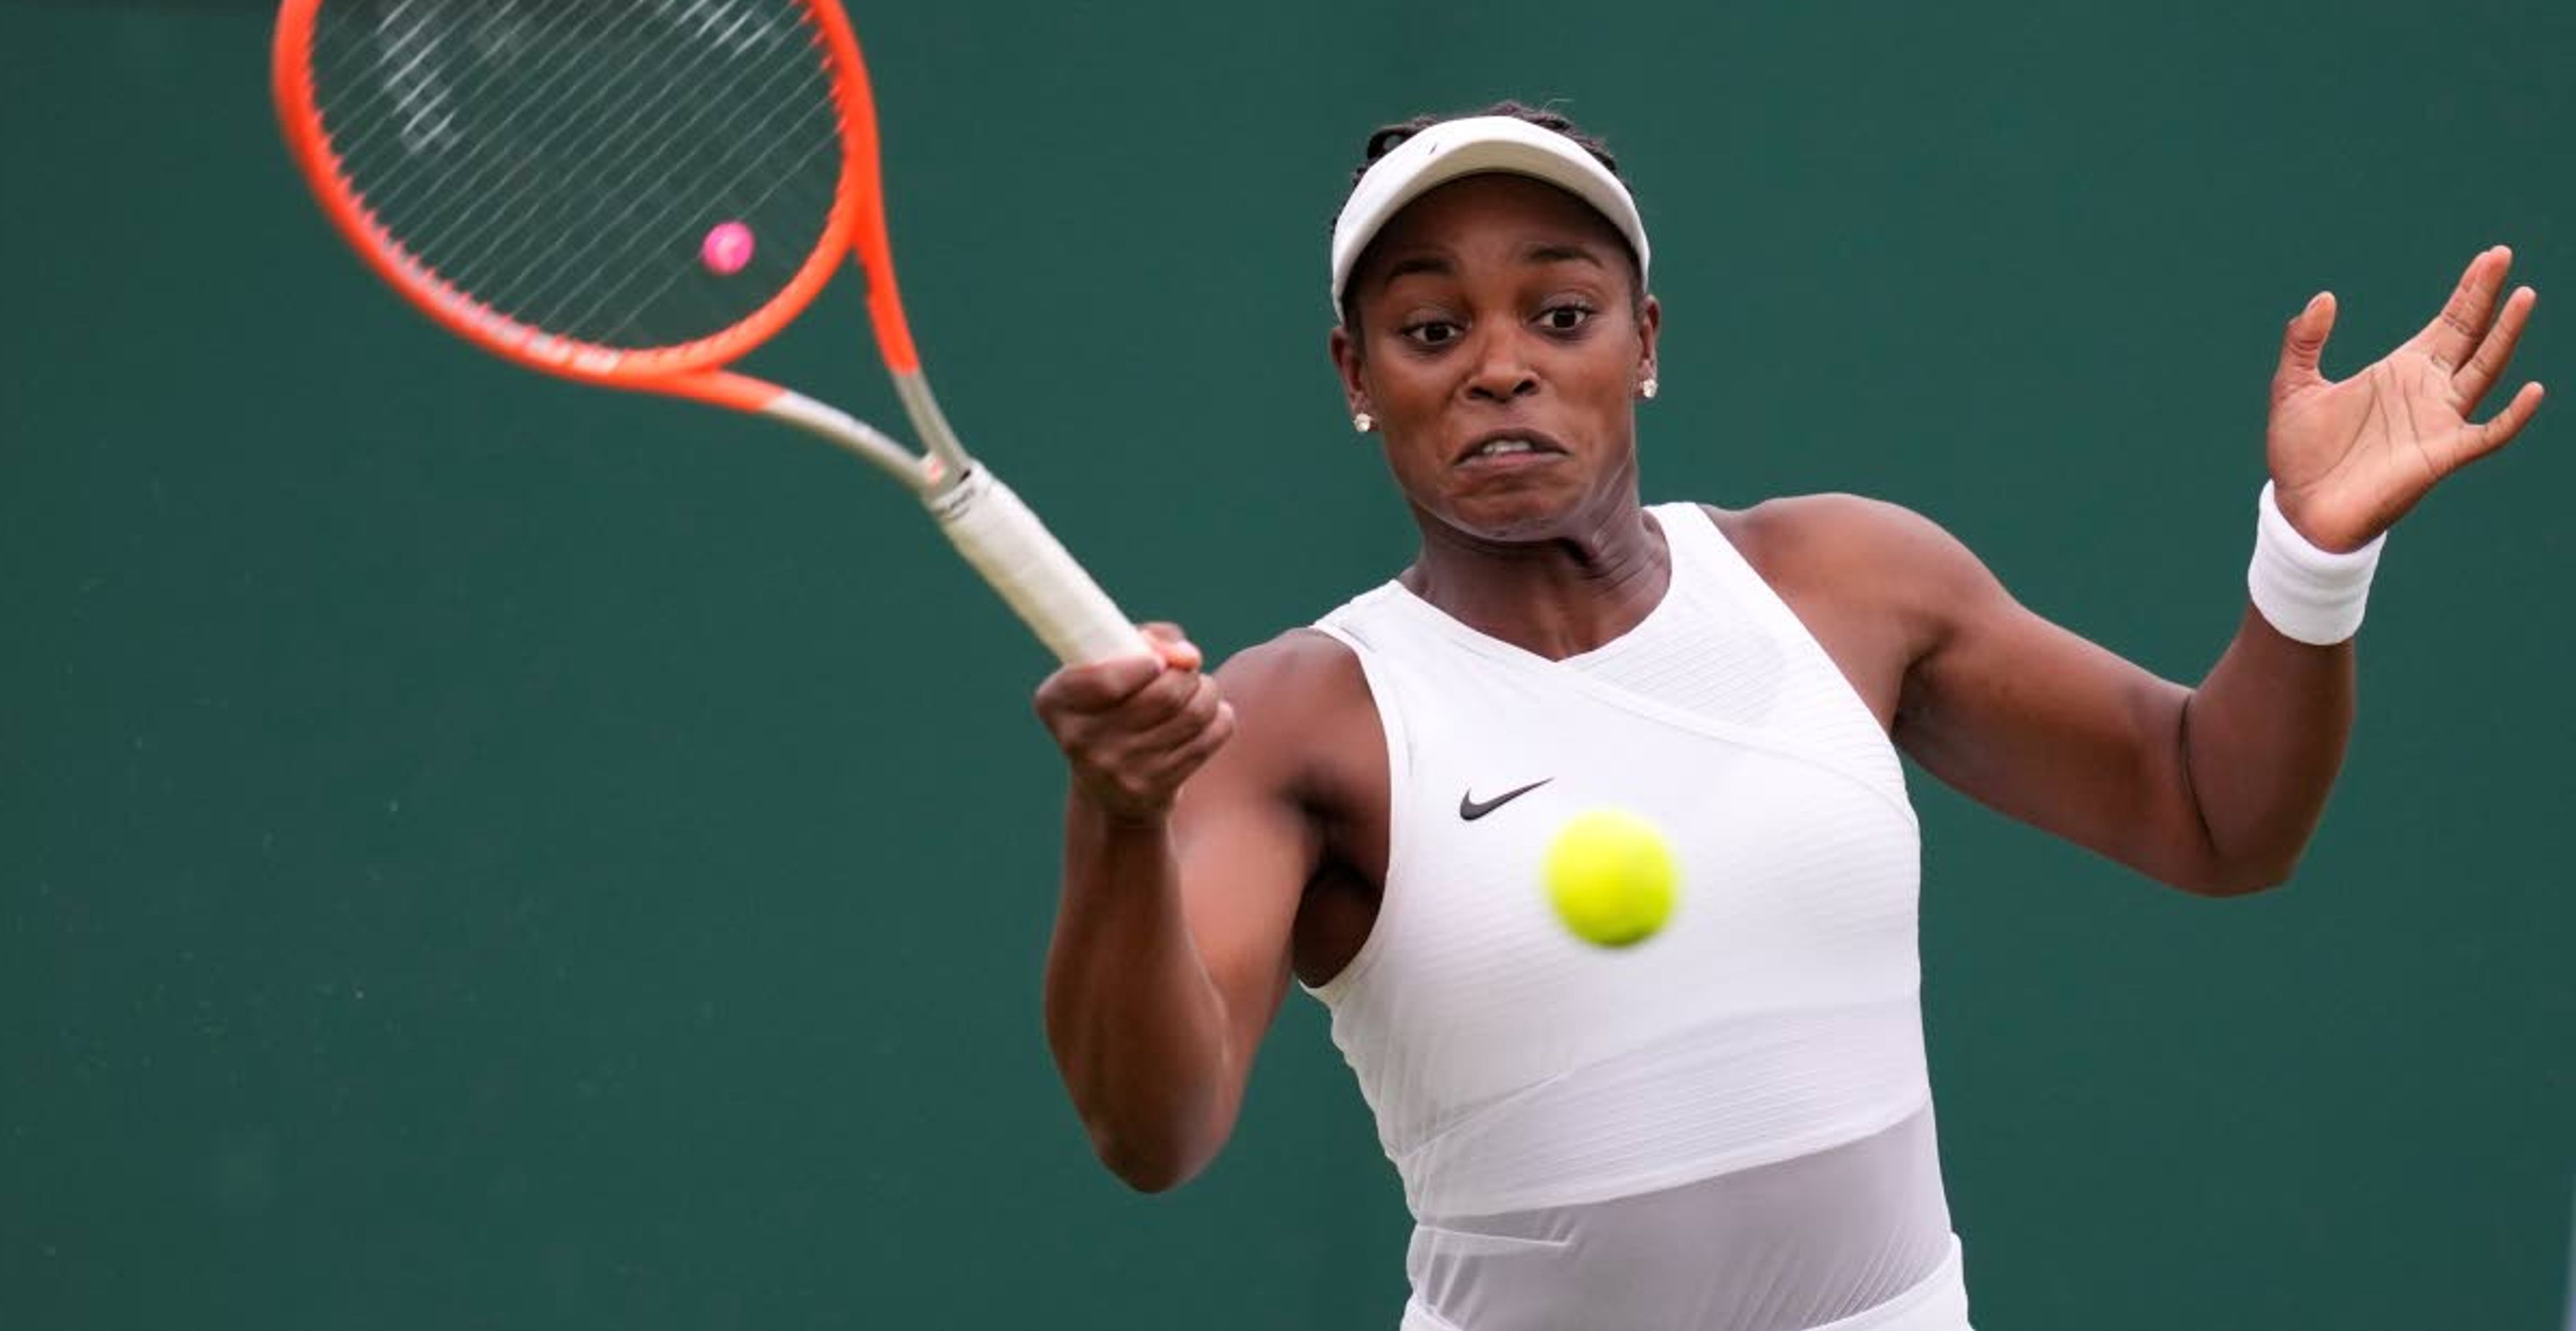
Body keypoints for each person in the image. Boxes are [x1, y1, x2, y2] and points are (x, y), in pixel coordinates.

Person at [1033, 103, 2544, 1331]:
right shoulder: (1306, 711)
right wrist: (1119, 817)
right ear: (1358, 377)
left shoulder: (1849, 579)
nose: (1501, 365)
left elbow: (2217, 817)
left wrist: (2313, 558)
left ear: (1646, 342)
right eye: (1431, 332)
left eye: (1560, 312)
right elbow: (1153, 1135)